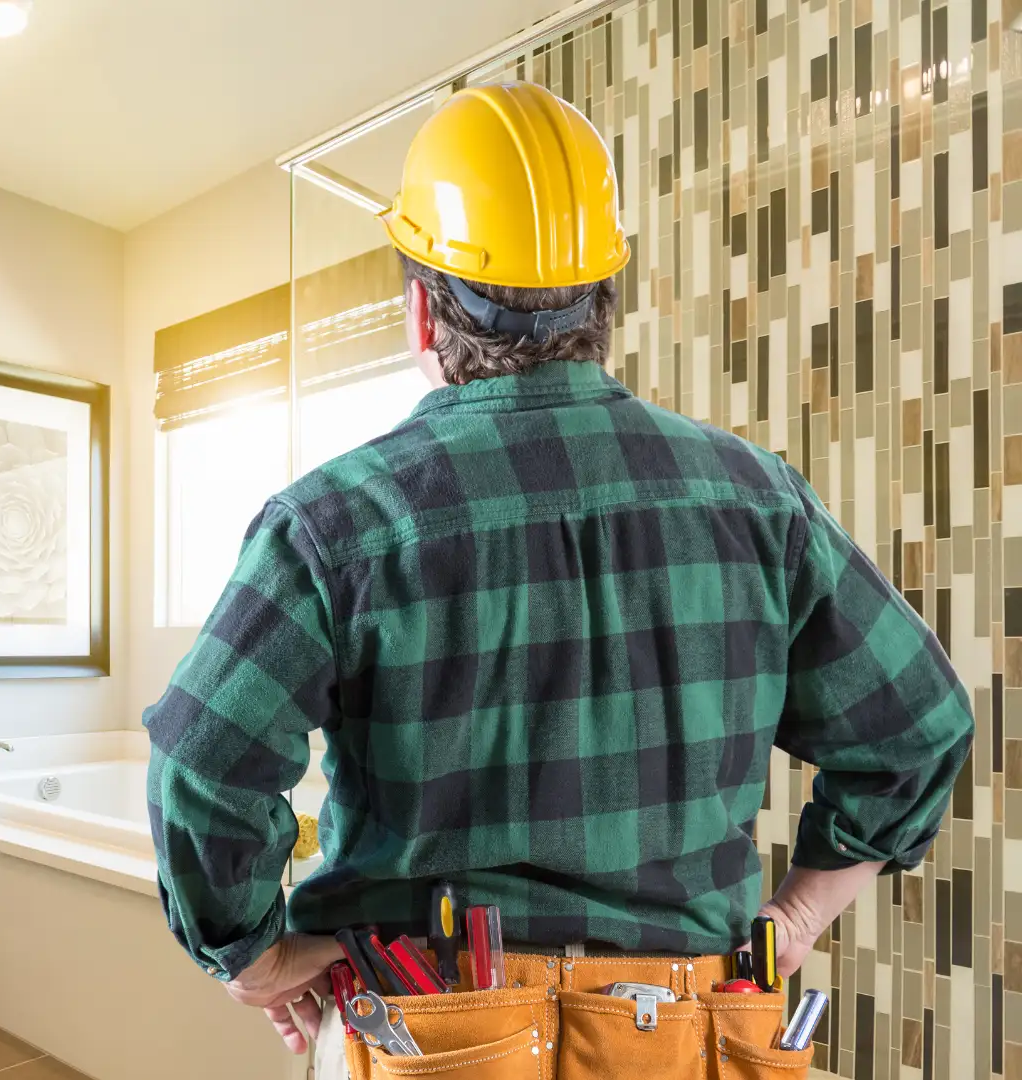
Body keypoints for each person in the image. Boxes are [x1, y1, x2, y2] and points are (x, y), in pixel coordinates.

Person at [143, 81, 973, 1074]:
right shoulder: (758, 504)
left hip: (422, 1028)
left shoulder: (335, 523)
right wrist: (798, 911)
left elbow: (202, 766)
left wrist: (253, 950)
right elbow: (920, 727)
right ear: (606, 304)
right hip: (688, 1029)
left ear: (420, 311)